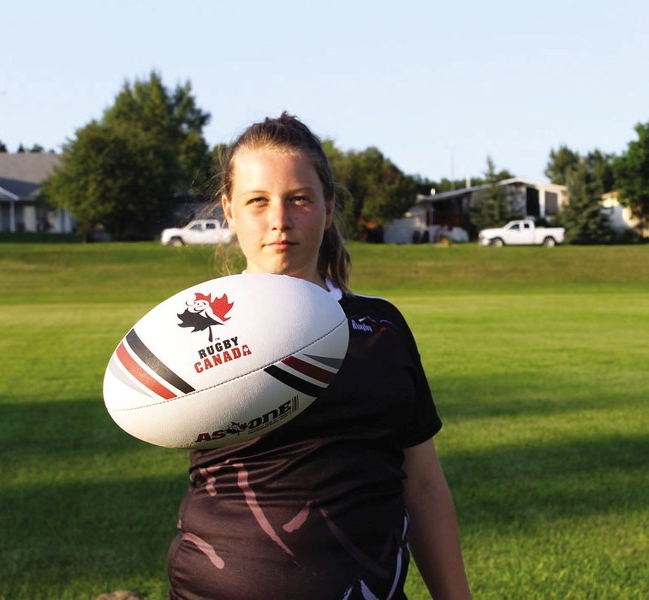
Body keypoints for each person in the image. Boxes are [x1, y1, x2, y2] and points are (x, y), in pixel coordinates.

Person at [167, 113, 471, 599]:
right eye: (257, 201)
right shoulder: (194, 332)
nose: (279, 220)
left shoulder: (380, 329)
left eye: (299, 199)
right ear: (229, 210)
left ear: (329, 207)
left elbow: (424, 486)